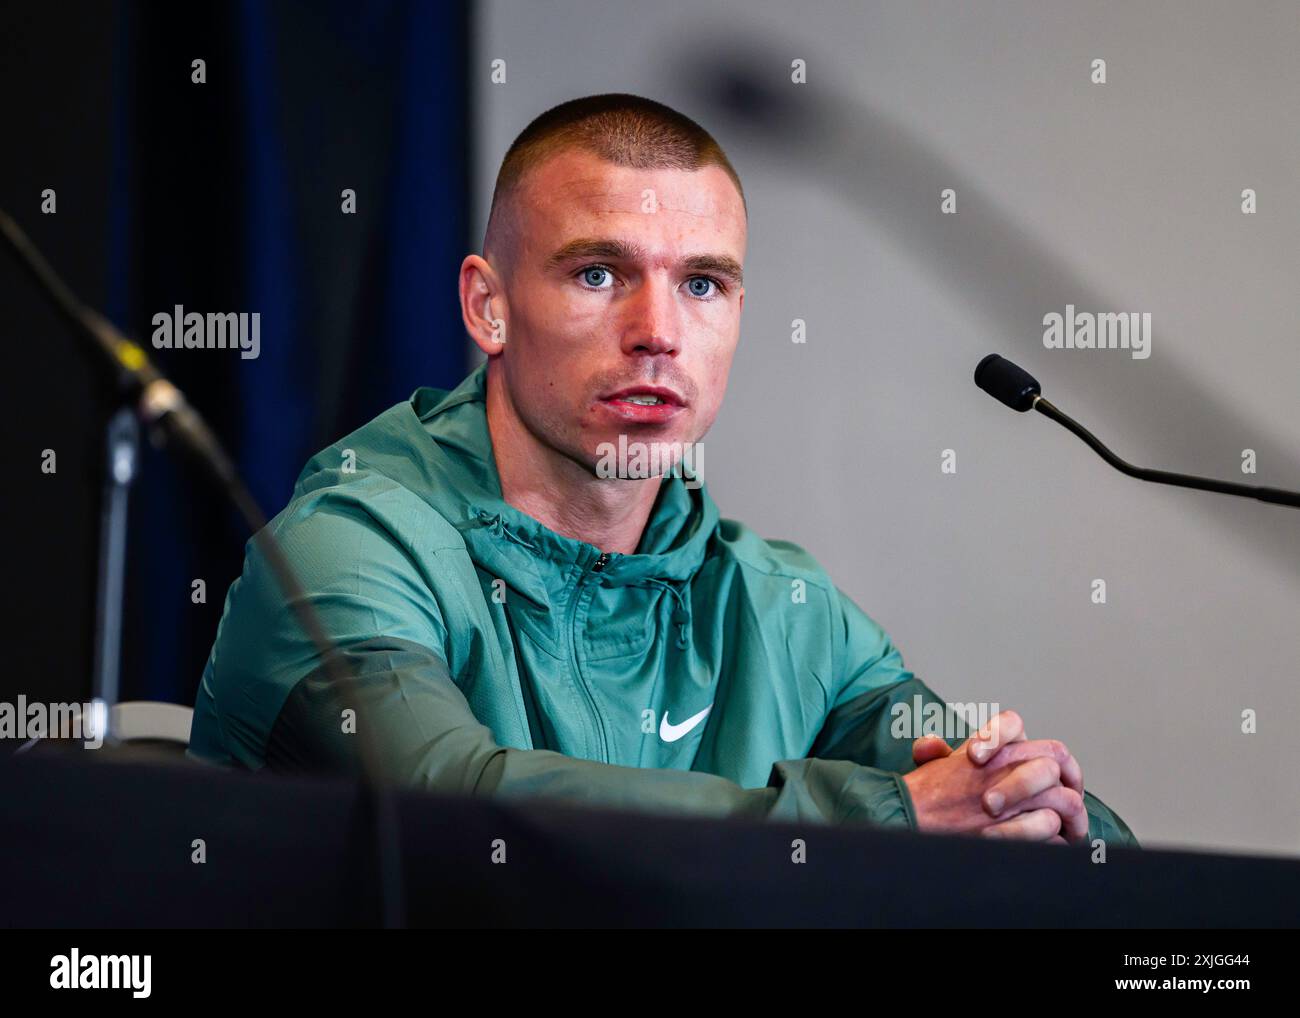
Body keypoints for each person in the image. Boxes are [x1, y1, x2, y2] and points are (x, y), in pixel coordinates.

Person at [188, 93, 1136, 847]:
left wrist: (1031, 804)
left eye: (702, 283)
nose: (658, 333)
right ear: (488, 308)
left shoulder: (781, 610)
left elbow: (1017, 817)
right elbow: (456, 817)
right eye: (598, 273)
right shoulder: (342, 554)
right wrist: (885, 816)